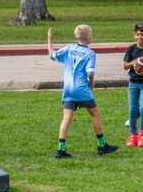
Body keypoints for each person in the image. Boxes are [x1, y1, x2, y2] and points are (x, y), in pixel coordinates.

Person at [48, 25, 118, 158]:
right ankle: (101, 145)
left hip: (68, 88)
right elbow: (90, 71)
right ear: (89, 37)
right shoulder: (90, 53)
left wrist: (49, 39)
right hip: (81, 88)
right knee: (95, 114)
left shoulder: (69, 48)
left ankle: (60, 149)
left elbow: (52, 54)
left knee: (66, 117)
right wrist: (91, 82)